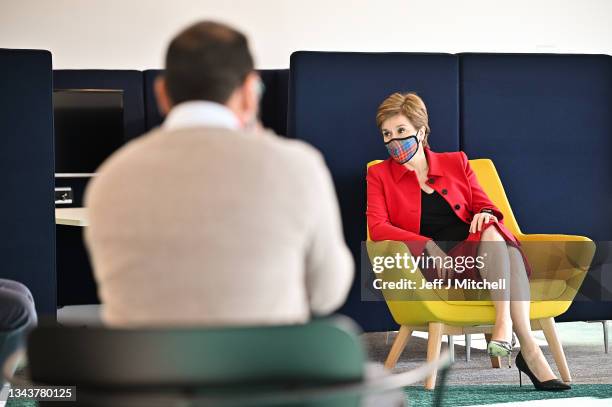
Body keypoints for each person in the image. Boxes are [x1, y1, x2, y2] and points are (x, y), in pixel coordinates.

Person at [84, 21, 353, 327]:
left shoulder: (111, 178)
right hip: (267, 370)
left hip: (144, 372)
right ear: (250, 92)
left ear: (161, 92)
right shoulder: (298, 166)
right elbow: (328, 293)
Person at [366, 92, 570, 391]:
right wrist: (427, 245)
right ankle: (528, 349)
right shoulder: (379, 175)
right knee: (505, 250)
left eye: (401, 132)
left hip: (480, 257)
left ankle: (508, 330)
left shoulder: (456, 162)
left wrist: (485, 213)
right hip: (435, 267)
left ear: (421, 132)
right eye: (387, 134)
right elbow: (378, 227)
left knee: (491, 230)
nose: (394, 141)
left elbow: (486, 205)